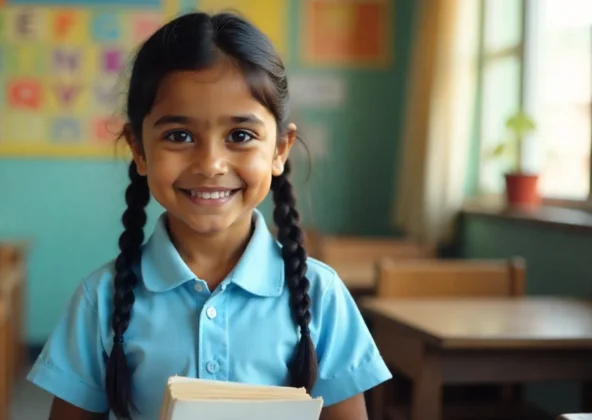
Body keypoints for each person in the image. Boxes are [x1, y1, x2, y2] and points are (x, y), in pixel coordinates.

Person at [27, 11, 391, 420]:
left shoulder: (322, 296)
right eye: (179, 136)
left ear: (279, 150)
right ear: (139, 149)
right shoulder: (102, 299)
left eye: (240, 136)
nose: (211, 163)